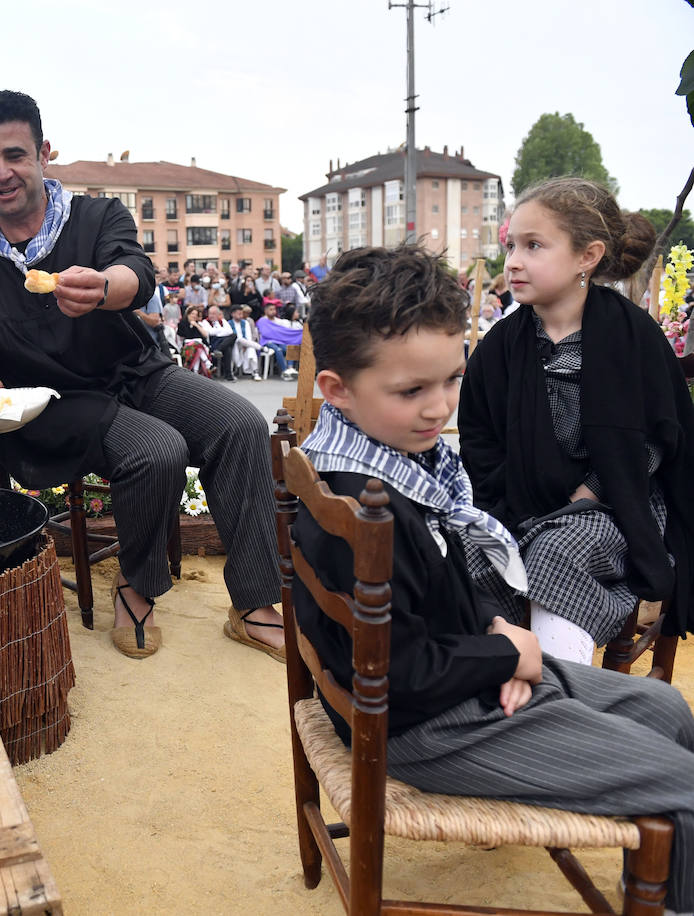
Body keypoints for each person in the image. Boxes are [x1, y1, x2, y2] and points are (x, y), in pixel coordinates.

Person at [294, 244, 694, 913]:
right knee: (684, 780)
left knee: (665, 708)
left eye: (452, 380)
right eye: (412, 391)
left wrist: (499, 627)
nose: (439, 408)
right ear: (336, 388)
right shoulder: (365, 509)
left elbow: (444, 573)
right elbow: (402, 673)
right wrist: (507, 654)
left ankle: (657, 876)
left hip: (451, 676)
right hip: (420, 724)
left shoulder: (383, 457)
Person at [0, 90, 282, 660]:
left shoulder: (96, 216)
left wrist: (104, 288)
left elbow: (136, 273)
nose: (2, 172)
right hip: (51, 406)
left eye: (15, 155)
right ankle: (137, 589)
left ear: (44, 153)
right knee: (158, 449)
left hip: (133, 372)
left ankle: (252, 605)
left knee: (241, 423)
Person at [458, 177, 694, 665]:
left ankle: (563, 702)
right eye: (511, 246)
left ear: (587, 256)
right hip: (516, 503)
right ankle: (490, 685)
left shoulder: (635, 337)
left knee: (555, 550)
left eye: (534, 245)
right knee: (461, 549)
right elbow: (479, 444)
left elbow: (654, 440)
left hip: (618, 507)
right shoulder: (499, 347)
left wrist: (582, 498)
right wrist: (511, 510)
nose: (514, 261)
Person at [256, 301, 301, 379]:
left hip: (279, 341)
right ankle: (284, 372)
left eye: (274, 309)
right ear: (266, 311)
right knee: (278, 350)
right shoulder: (262, 321)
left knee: (291, 348)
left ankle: (290, 369)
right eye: (271, 309)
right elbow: (265, 333)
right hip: (267, 341)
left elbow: (284, 331)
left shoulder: (279, 321)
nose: (273, 311)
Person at [200, 304, 239, 380]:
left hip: (222, 343)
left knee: (233, 337)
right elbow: (210, 333)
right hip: (212, 343)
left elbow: (230, 332)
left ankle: (219, 349)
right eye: (210, 313)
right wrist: (221, 331)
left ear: (218, 314)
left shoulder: (223, 321)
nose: (211, 315)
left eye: (214, 314)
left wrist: (218, 332)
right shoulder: (205, 322)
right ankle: (228, 374)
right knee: (228, 342)